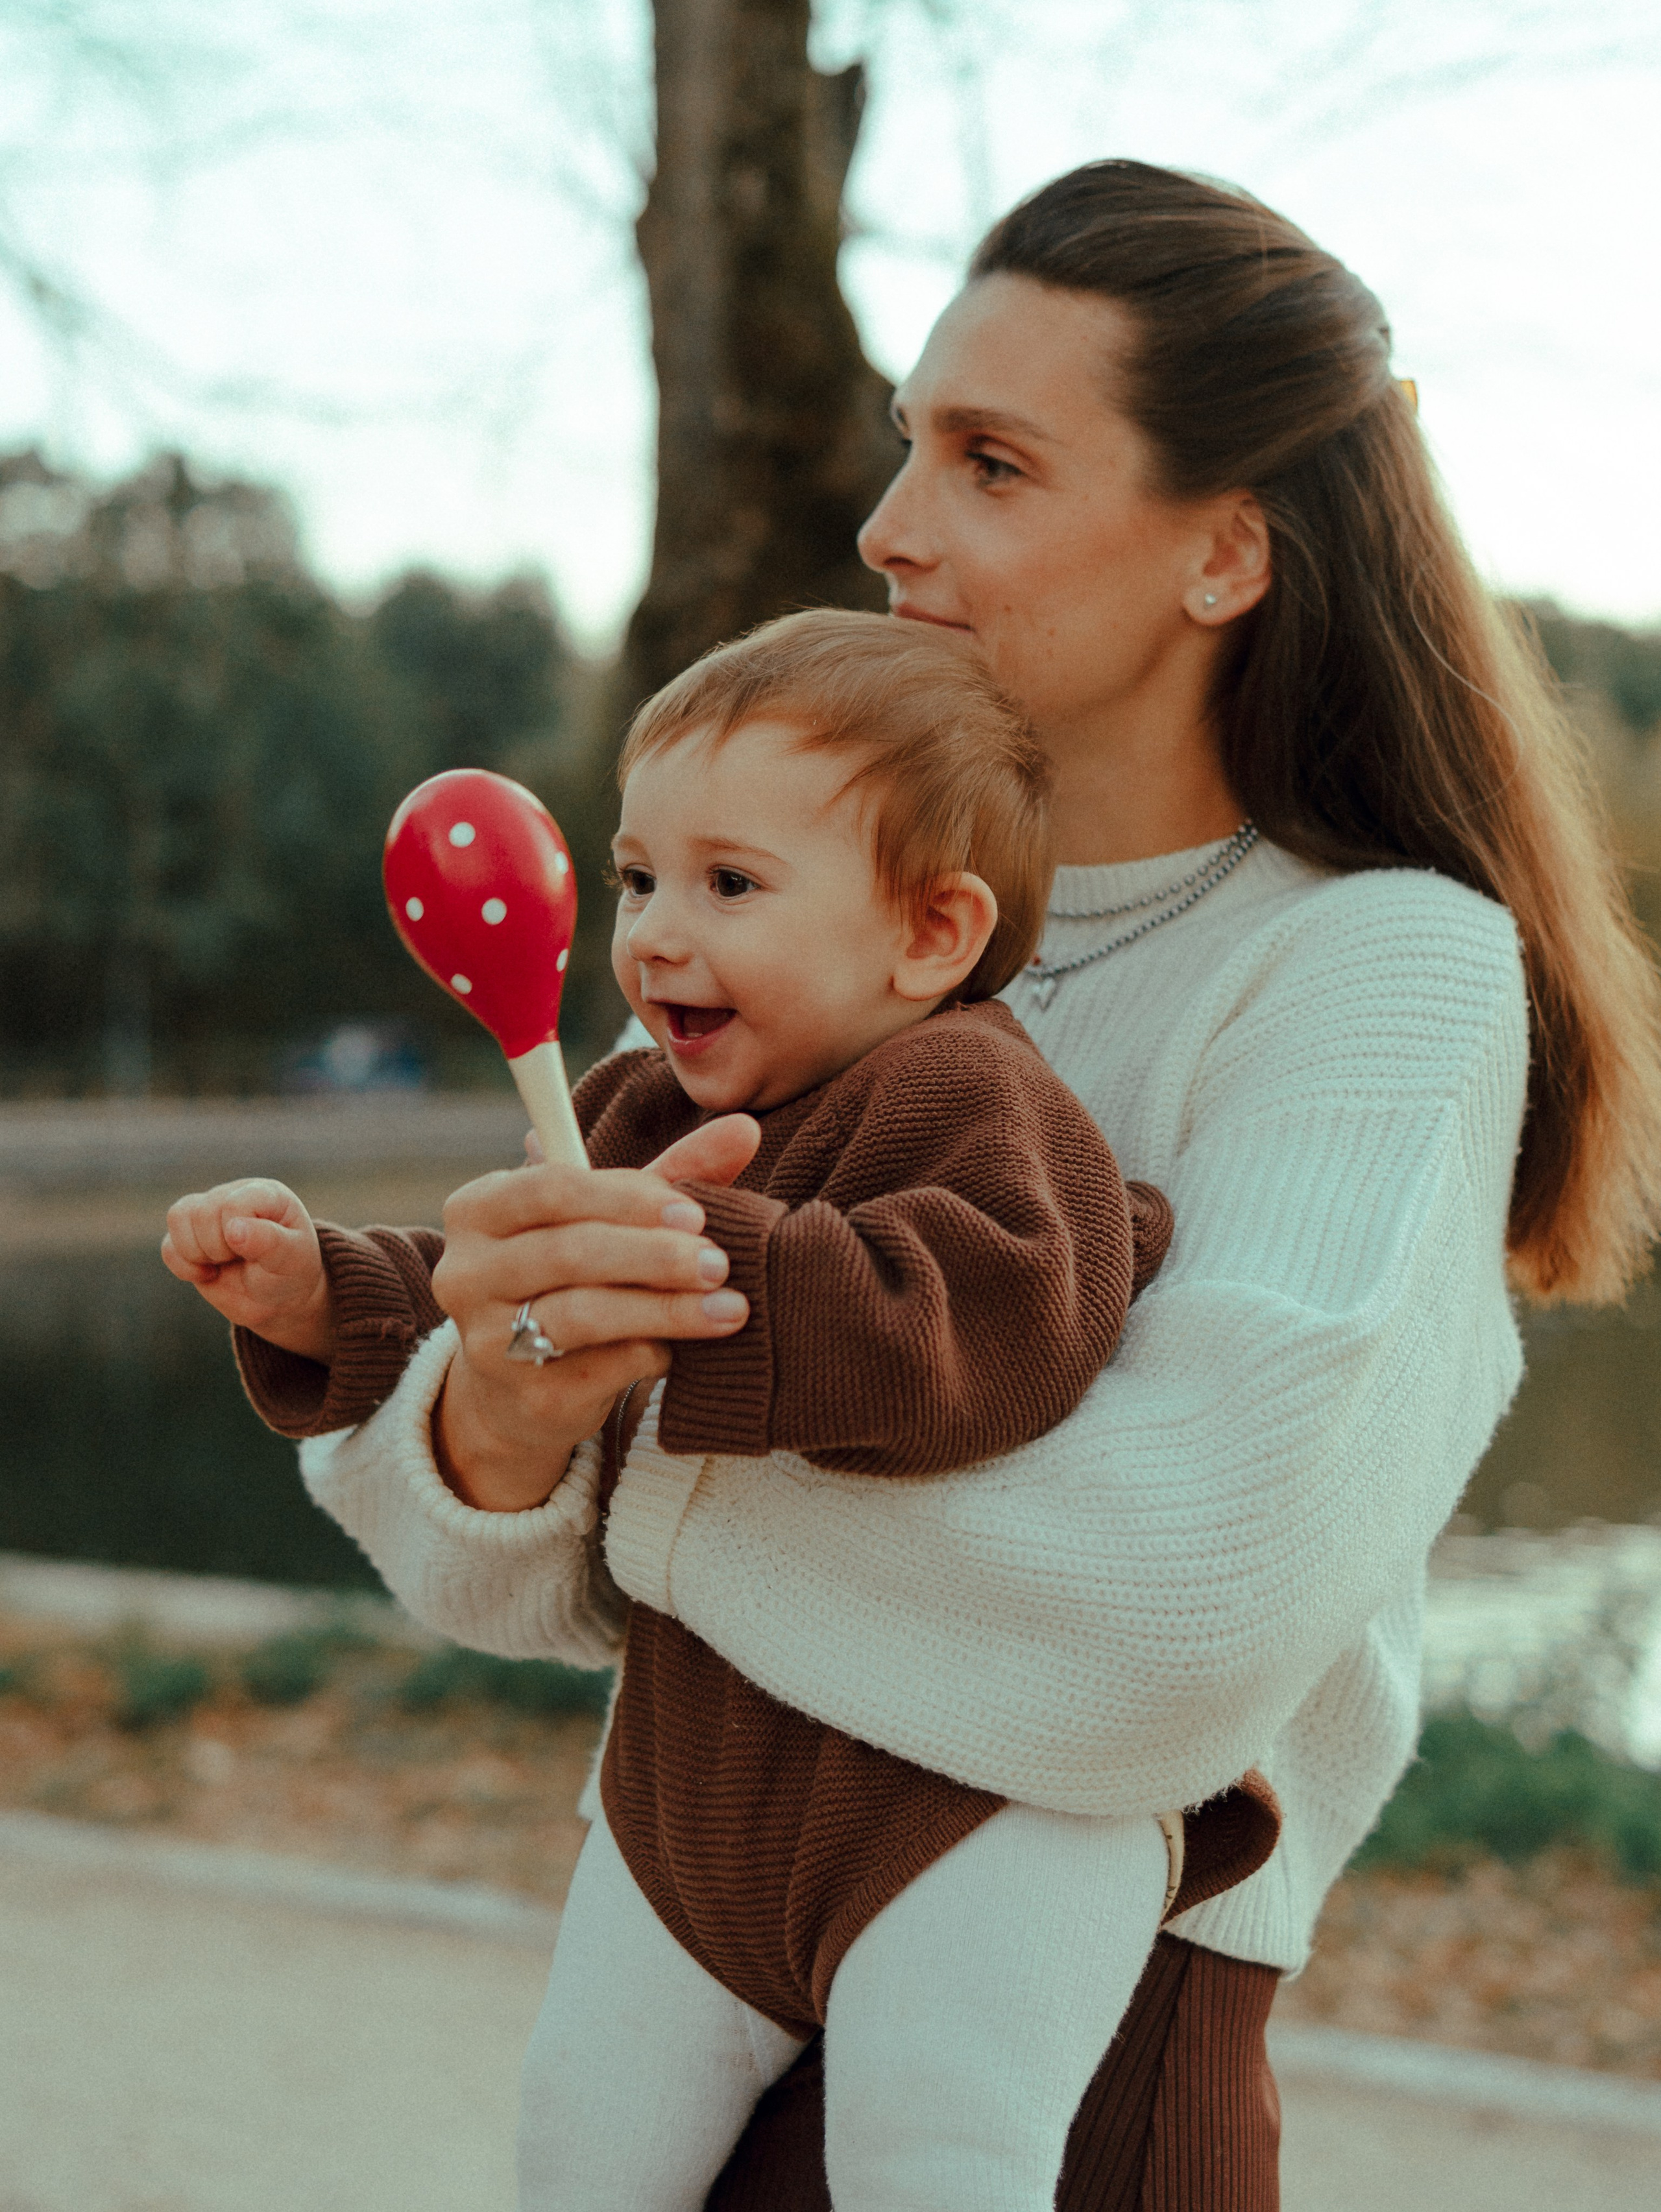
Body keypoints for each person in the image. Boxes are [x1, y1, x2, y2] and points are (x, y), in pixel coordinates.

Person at [173, 160, 1661, 2209]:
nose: (892, 528)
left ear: (1225, 549)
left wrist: (631, 1462)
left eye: (993, 464)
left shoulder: (1376, 965)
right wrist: (506, 1420)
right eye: (907, 447)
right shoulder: (823, 908)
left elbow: (1177, 1615)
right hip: (701, 1951)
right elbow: (455, 1552)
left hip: (1060, 2057)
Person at [167, 608, 1260, 2212]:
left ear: (928, 933)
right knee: (581, 2147)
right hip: (698, 1788)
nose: (656, 936)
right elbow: (515, 1283)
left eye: (729, 885)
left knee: (940, 2153)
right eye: (633, 879)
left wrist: (691, 1271)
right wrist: (331, 1293)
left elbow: (1009, 1317)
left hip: (966, 1796)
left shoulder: (971, 1095)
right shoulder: (632, 1108)